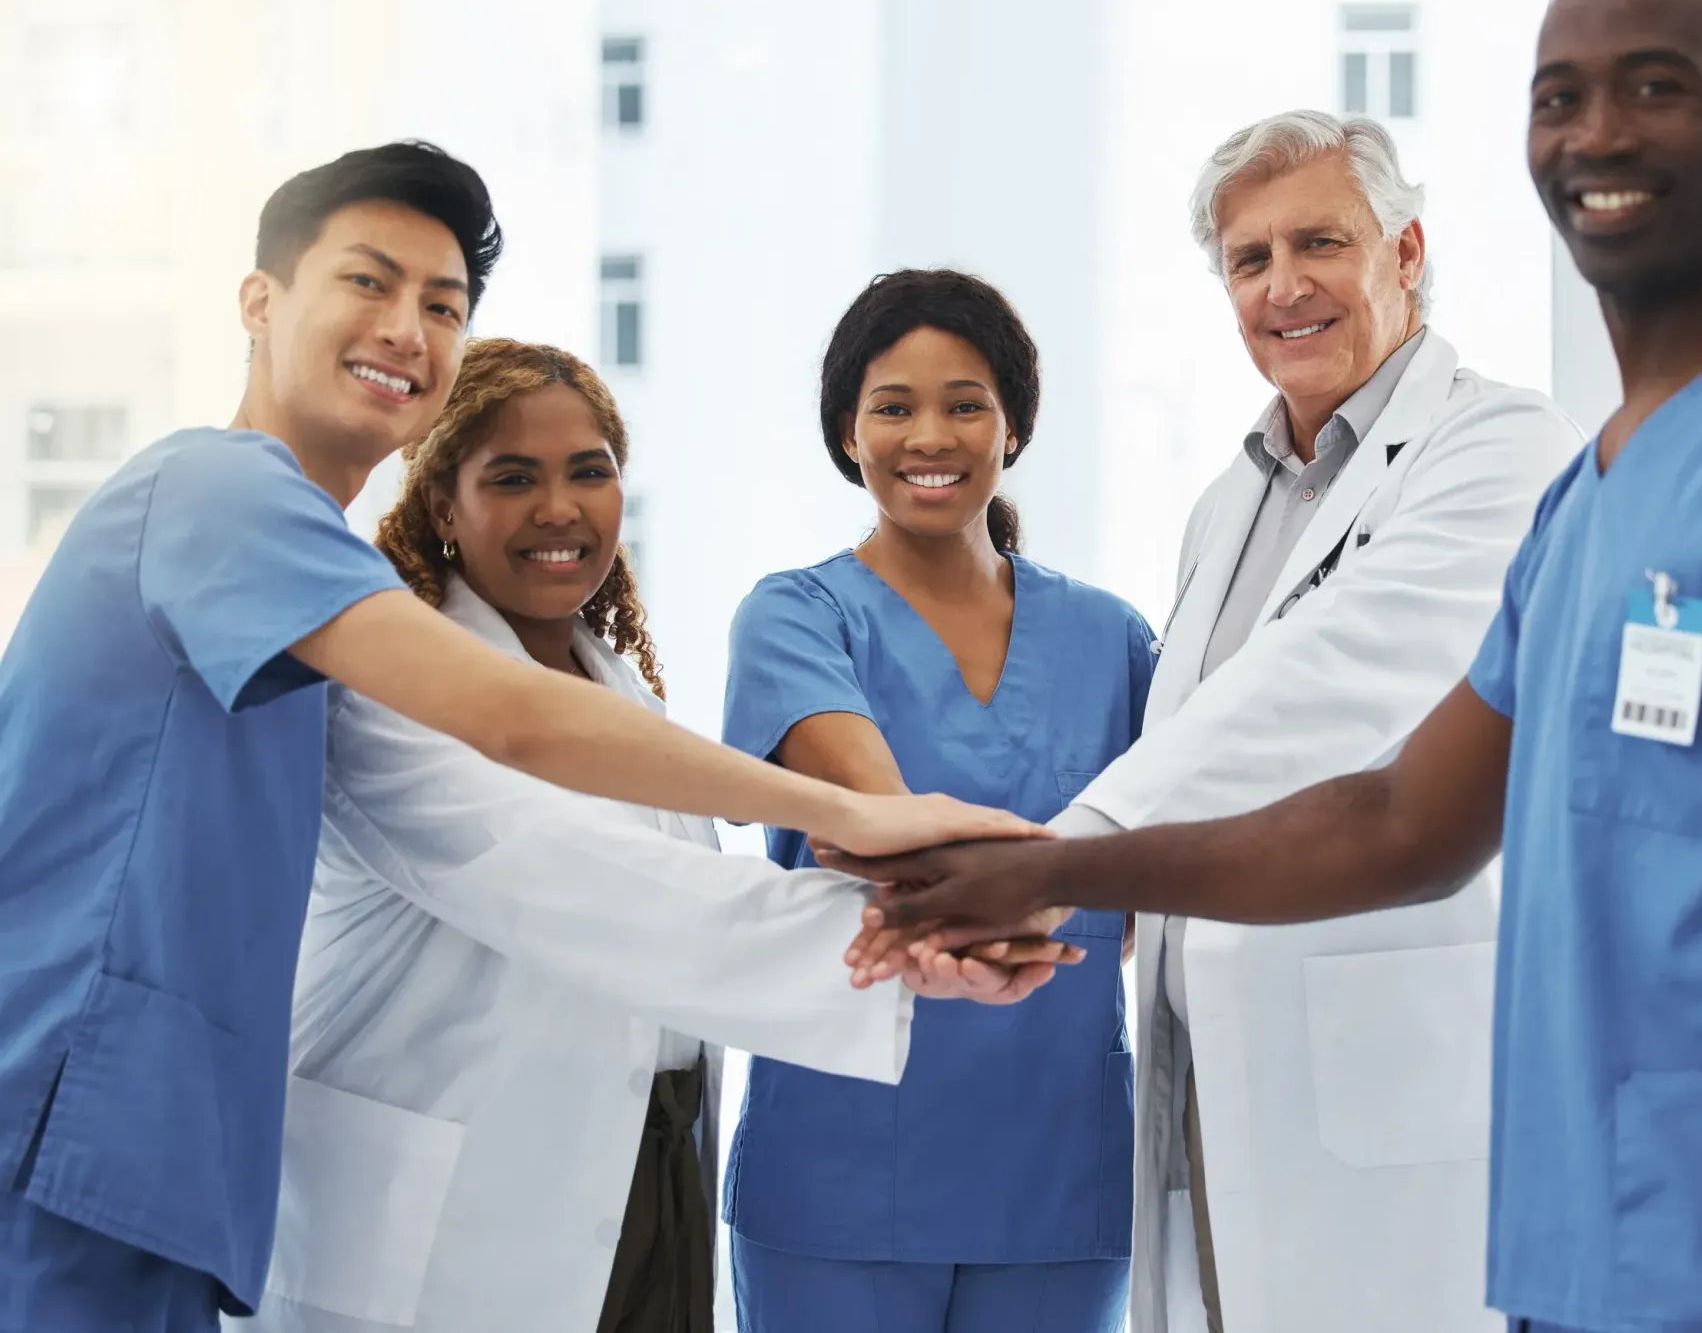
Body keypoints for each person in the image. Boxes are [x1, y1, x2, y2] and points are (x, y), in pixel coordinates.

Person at [836, 0, 1702, 1330]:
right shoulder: (1577, 492)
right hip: (1560, 1221)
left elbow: (1322, 701)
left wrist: (1056, 860)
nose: (1598, 133)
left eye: (1658, 87)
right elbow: (1405, 814)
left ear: (1410, 251)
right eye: (1558, 98)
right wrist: (1059, 874)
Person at [0, 143, 1053, 1333]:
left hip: (167, 1152)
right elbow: (513, 753)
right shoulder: (215, 493)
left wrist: (895, 926)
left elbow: (553, 824)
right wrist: (853, 821)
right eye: (367, 282)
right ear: (260, 301)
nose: (406, 328)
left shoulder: (326, 604)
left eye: (441, 306)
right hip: (78, 1117)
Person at [239, 339, 1073, 1333]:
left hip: (645, 1174)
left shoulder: (616, 681)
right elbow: (595, 889)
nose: (561, 507)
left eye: (590, 471)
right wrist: (914, 932)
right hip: (446, 1221)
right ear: (443, 507)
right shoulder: (391, 695)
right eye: (513, 477)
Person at [1044, 109, 1581, 1333]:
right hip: (1208, 1079)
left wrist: (1070, 850)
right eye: (1249, 260)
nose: (1284, 287)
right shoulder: (1225, 503)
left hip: (1387, 1078)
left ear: (1406, 252)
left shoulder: (1500, 446)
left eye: (1320, 243)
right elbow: (1201, 734)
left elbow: (1333, 678)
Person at [719, 270, 1157, 1333]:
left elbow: (1158, 870)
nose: (932, 434)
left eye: (966, 402)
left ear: (1014, 428)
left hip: (1057, 1165)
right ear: (847, 431)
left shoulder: (1112, 639)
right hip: (840, 1161)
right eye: (894, 405)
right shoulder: (796, 616)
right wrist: (1042, 895)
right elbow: (881, 808)